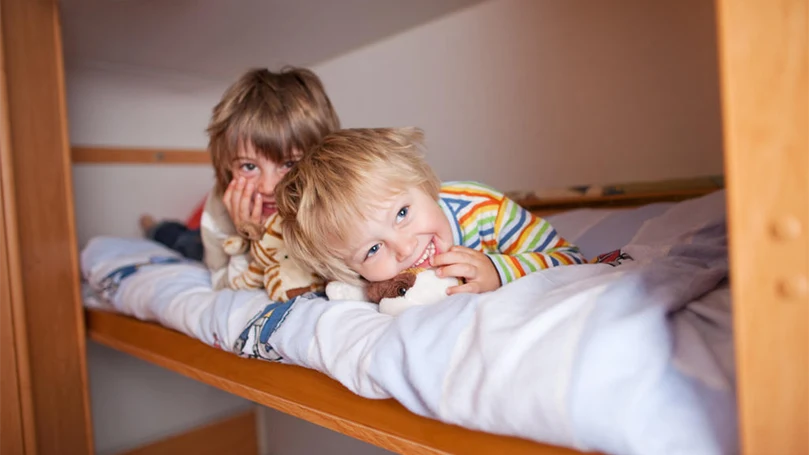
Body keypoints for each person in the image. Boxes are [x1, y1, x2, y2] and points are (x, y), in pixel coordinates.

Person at [275, 127, 586, 296]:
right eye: (372, 249)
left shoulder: (483, 210)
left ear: (424, 184)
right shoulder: (356, 273)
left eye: (401, 214)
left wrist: (497, 271)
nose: (405, 248)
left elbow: (573, 260)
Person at [199, 67, 340, 290]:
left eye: (289, 164)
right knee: (181, 241)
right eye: (249, 166)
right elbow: (222, 285)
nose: (267, 187)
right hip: (209, 241)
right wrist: (245, 240)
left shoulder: (337, 198)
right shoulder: (219, 208)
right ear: (227, 166)